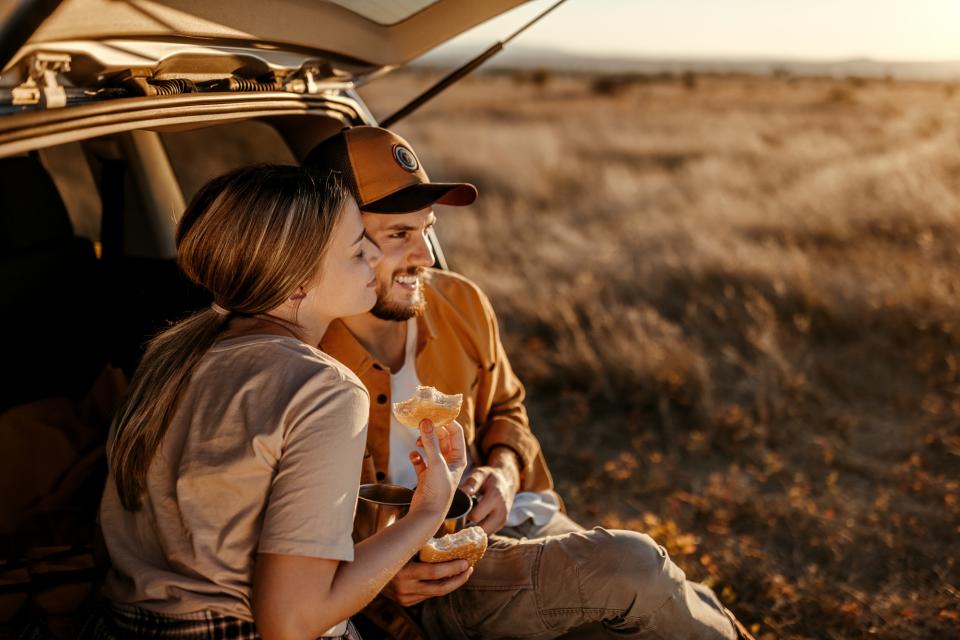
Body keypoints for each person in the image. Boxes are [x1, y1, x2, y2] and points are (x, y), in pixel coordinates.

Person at [306, 127, 756, 640]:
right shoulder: (301, 357)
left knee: (651, 603)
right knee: (636, 569)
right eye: (398, 235)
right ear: (330, 236)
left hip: (517, 518)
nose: (426, 256)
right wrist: (376, 577)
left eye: (426, 229)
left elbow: (506, 405)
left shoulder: (462, 302)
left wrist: (504, 469)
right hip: (432, 581)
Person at [92, 164, 468, 640]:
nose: (375, 256)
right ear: (295, 285)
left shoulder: (171, 356)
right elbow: (290, 624)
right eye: (357, 249)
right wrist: (429, 510)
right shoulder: (324, 388)